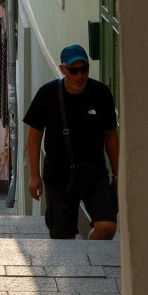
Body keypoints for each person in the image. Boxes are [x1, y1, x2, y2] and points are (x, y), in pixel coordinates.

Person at [23, 44, 119, 240]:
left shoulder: (101, 94)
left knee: (107, 226)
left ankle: (88, 256)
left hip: (94, 172)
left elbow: (110, 135)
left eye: (84, 69)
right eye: (74, 70)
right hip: (58, 176)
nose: (80, 75)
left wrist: (117, 174)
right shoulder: (47, 94)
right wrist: (34, 176)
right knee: (62, 237)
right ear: (62, 69)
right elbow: (34, 136)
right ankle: (79, 264)